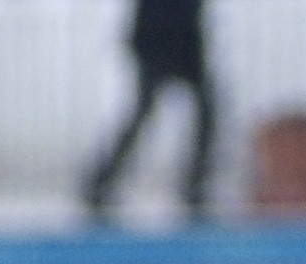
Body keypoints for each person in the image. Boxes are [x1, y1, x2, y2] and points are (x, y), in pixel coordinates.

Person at [83, 0, 216, 222]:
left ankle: (195, 184)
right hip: (158, 39)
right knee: (144, 113)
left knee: (204, 114)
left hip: (183, 41)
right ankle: (101, 183)